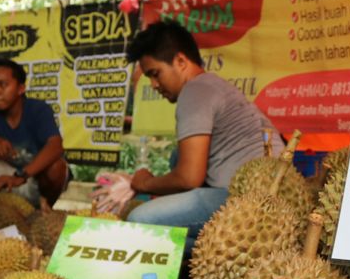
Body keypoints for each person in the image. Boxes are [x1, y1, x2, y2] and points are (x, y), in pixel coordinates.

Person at [118, 20, 285, 252]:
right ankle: (220, 254)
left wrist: (145, 183)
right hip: (272, 203)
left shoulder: (195, 92)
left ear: (181, 61)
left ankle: (222, 253)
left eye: (156, 74)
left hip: (243, 202)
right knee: (178, 156)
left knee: (139, 220)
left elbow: (189, 177)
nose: (154, 85)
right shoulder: (216, 86)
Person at [0, 58, 68, 206]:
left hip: (32, 176)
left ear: (20, 89)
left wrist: (21, 176)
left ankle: (43, 211)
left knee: (57, 167)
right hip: (0, 178)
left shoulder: (38, 109)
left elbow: (56, 146)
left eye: (2, 85)